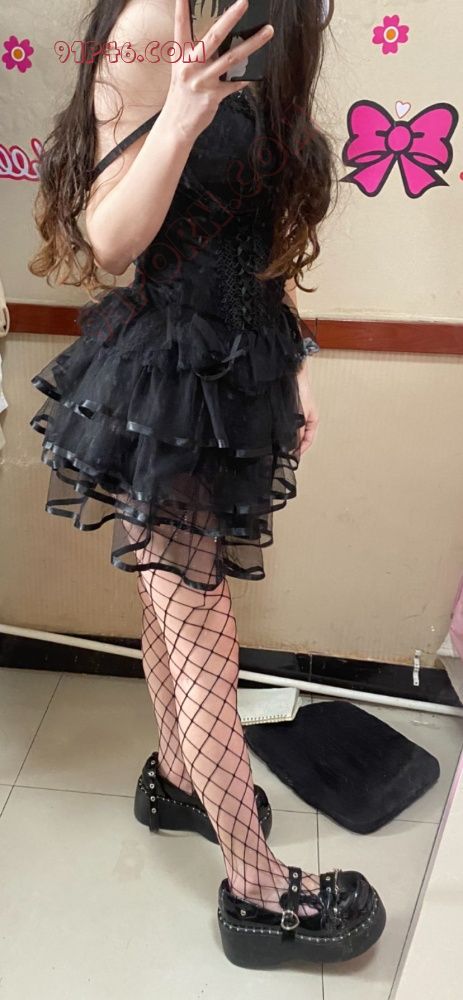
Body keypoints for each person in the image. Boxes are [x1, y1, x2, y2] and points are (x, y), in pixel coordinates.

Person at [28, 0, 386, 968]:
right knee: (197, 618)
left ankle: (183, 776)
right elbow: (109, 239)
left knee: (175, 601)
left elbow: (258, 220)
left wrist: (295, 355)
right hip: (169, 372)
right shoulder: (153, 17)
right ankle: (255, 884)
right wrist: (179, 120)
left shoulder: (275, 15)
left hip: (241, 360)